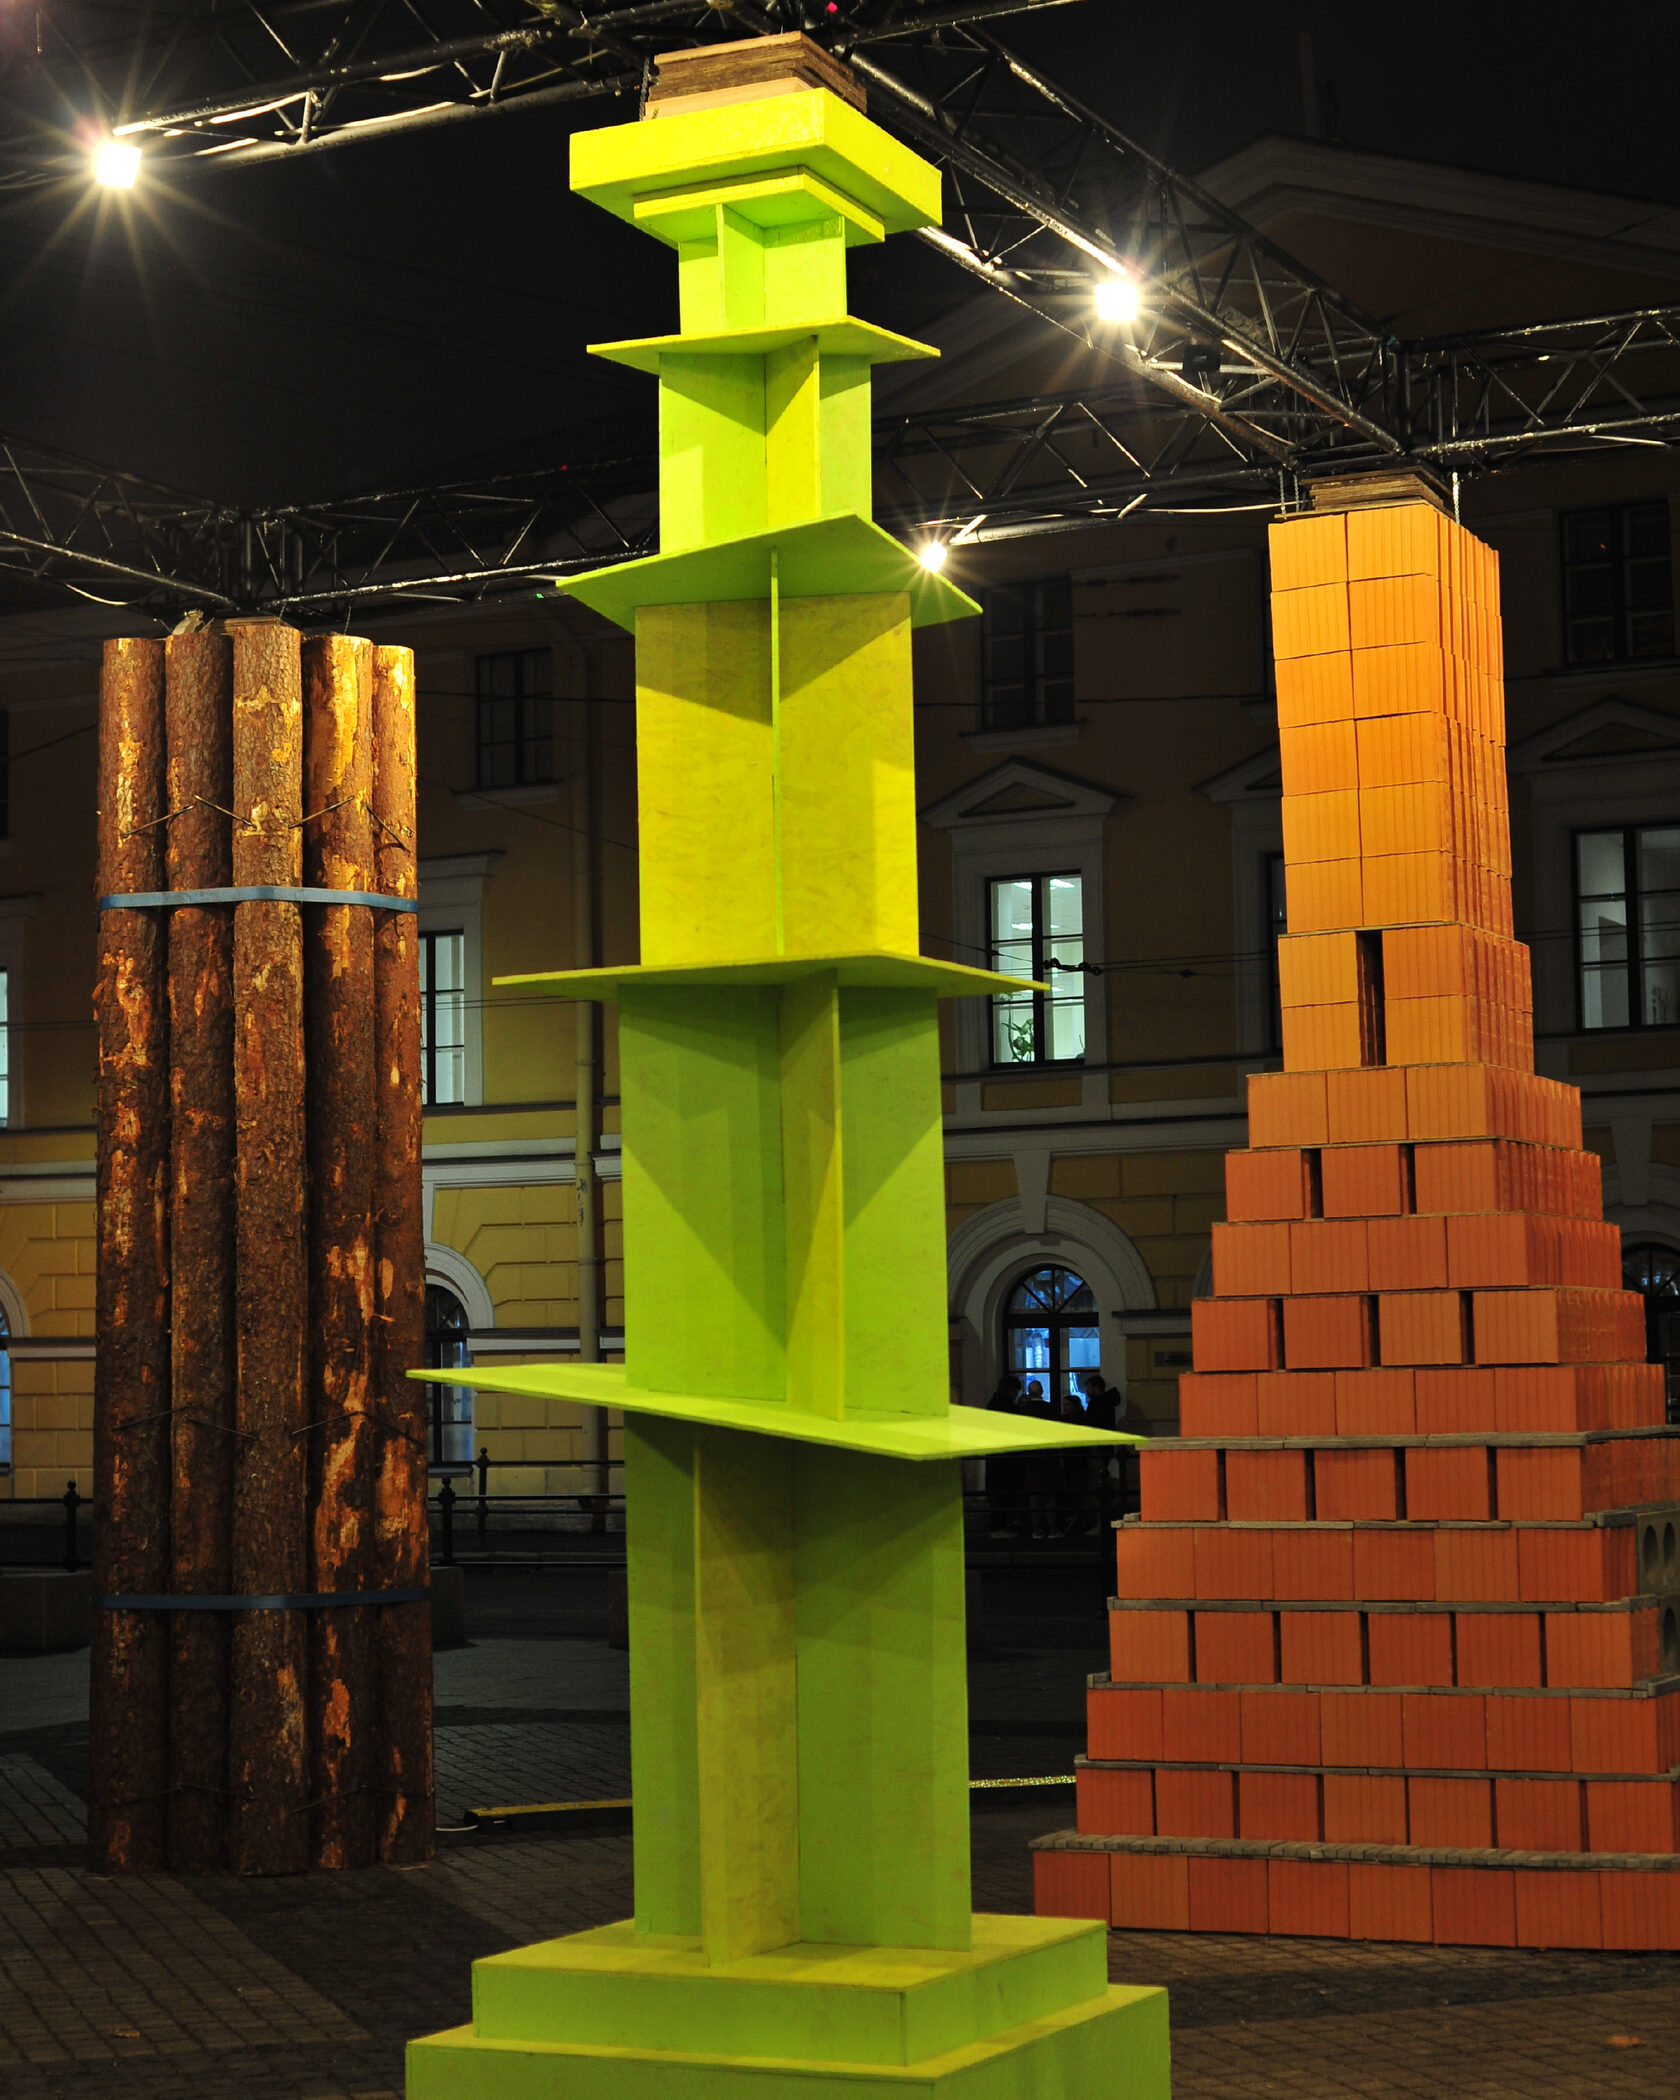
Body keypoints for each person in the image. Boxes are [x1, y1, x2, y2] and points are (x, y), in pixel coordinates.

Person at [985, 1375, 1025, 1536]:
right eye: (1015, 1391)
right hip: (1009, 1459)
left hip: (996, 1456)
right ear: (1010, 1390)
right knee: (1008, 1492)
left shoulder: (992, 1404)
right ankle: (1004, 1524)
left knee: (998, 1494)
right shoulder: (1010, 1408)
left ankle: (998, 1526)